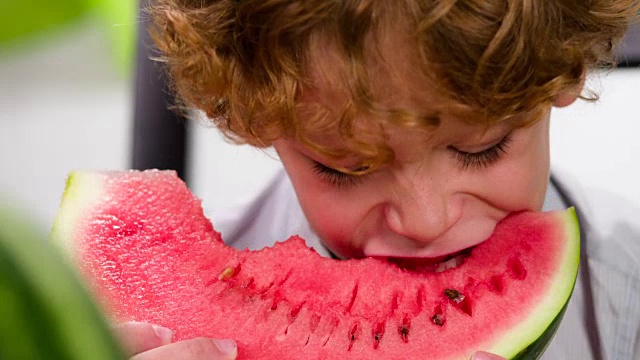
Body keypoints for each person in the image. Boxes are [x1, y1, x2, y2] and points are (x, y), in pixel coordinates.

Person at [117, 1, 640, 359]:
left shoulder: (627, 304)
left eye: (481, 148)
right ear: (256, 121)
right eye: (347, 167)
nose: (425, 221)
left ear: (566, 74)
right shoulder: (166, 323)